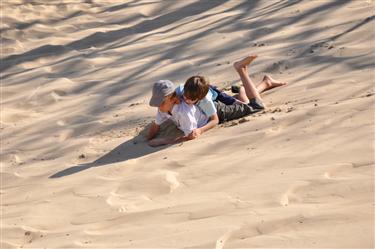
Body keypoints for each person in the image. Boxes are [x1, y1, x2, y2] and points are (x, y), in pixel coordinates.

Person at [147, 54, 287, 147]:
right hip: (208, 96)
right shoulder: (172, 100)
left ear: (172, 99)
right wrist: (148, 140)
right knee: (240, 102)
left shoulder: (190, 108)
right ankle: (265, 83)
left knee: (256, 106)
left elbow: (213, 121)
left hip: (217, 110)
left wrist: (199, 131)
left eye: (161, 102)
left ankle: (241, 70)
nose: (158, 107)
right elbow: (156, 125)